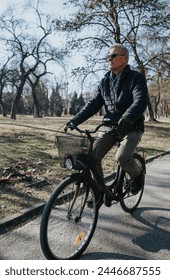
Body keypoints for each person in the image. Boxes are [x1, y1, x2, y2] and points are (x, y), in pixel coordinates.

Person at [65, 43, 148, 194]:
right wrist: (74, 120)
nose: (109, 59)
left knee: (122, 157)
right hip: (110, 127)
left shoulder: (136, 78)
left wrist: (128, 116)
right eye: (108, 56)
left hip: (132, 126)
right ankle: (100, 192)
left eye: (113, 56)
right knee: (92, 158)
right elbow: (94, 104)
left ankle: (138, 174)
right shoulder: (105, 81)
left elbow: (141, 100)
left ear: (125, 59)